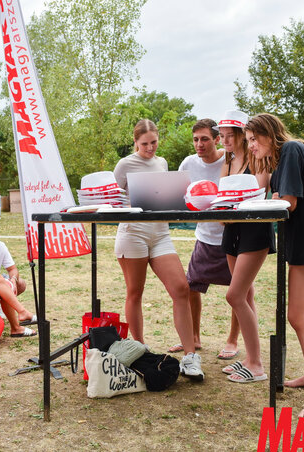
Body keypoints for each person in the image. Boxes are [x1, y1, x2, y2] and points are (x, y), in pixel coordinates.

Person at [245, 113, 304, 419]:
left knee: (297, 316)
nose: (251, 146)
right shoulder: (282, 159)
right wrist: (271, 188)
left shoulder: (293, 149)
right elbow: (282, 195)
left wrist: (273, 196)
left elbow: (289, 202)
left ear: (270, 134)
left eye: (254, 139)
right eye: (248, 141)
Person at [113, 118, 204, 381]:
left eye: (154, 142)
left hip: (161, 233)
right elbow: (112, 197)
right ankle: (140, 350)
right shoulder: (125, 164)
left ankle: (190, 357)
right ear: (135, 142)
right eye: (145, 144)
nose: (150, 148)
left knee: (181, 289)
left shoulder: (162, 163)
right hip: (133, 234)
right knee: (135, 292)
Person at [217, 110, 275, 384]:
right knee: (246, 295)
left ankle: (257, 365)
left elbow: (258, 194)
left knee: (234, 295)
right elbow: (221, 197)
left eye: (230, 134)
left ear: (242, 135)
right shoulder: (226, 163)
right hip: (231, 230)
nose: (225, 139)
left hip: (253, 230)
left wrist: (229, 207)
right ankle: (252, 358)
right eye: (223, 135)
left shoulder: (258, 159)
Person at [170, 119, 233, 358]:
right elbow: (178, 194)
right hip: (204, 237)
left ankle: (232, 341)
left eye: (205, 139)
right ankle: (194, 338)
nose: (199, 144)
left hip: (230, 236)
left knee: (238, 292)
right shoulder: (188, 163)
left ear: (217, 139)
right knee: (191, 288)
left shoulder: (230, 159)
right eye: (196, 139)